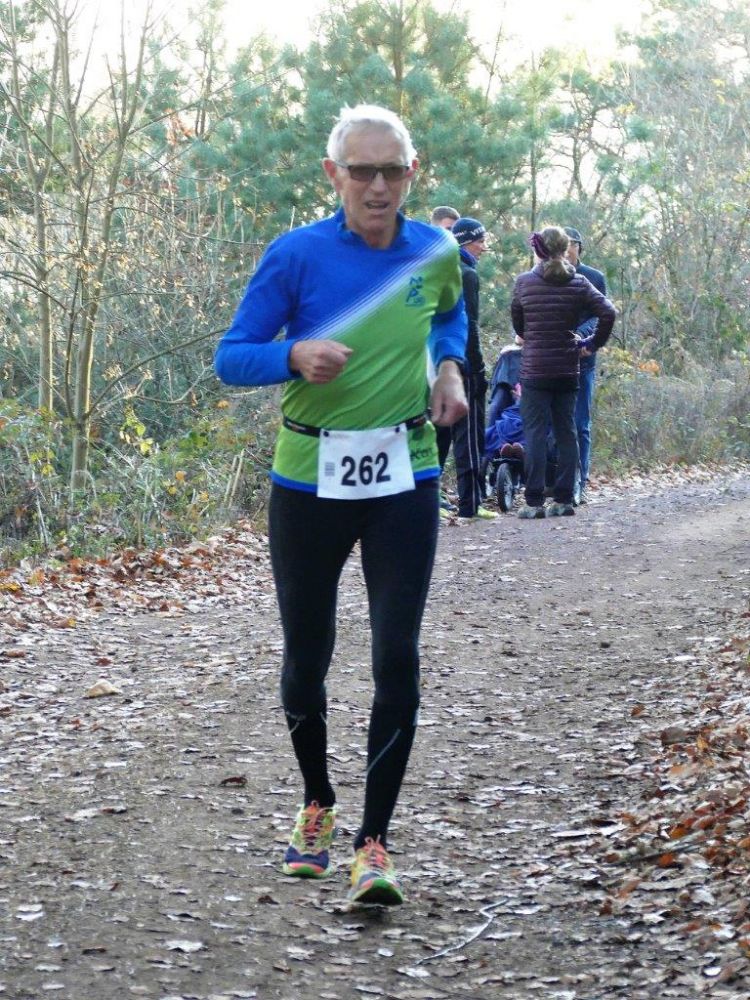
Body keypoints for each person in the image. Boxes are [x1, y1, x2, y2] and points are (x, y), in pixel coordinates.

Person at [215, 105, 468, 906]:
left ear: (412, 173)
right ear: (334, 176)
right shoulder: (295, 254)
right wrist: (291, 353)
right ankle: (317, 803)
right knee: (307, 656)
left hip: (405, 473)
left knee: (397, 654)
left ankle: (373, 843)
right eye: (362, 171)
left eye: (392, 170)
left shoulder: (437, 251)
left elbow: (451, 313)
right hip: (308, 480)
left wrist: (450, 368)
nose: (378, 186)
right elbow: (231, 358)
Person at [511, 226, 615, 519]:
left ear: (538, 250)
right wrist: (591, 344)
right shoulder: (579, 282)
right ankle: (564, 499)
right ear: (566, 248)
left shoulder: (524, 282)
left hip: (535, 370)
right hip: (568, 369)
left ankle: (533, 502)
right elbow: (608, 312)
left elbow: (518, 324)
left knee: (535, 433)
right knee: (566, 431)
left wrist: (531, 336)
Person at [450, 217, 498, 521]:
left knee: (440, 435)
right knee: (469, 434)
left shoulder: (440, 268)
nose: (483, 247)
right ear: (466, 242)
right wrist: (478, 369)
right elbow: (470, 326)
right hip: (463, 366)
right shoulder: (466, 274)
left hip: (437, 363)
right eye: (480, 241)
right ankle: (470, 504)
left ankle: (435, 502)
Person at [564, 226, 607, 504]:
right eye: (563, 243)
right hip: (552, 359)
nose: (567, 249)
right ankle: (557, 479)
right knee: (554, 424)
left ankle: (581, 480)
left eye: (572, 243)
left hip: (583, 358)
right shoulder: (546, 275)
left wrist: (580, 336)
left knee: (580, 423)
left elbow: (601, 315)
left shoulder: (594, 277)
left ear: (579, 247)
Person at [429, 205, 461, 514]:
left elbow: (456, 318)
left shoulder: (456, 270)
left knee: (443, 427)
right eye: (449, 230)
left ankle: (433, 489)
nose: (453, 237)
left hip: (441, 365)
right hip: (414, 366)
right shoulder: (421, 260)